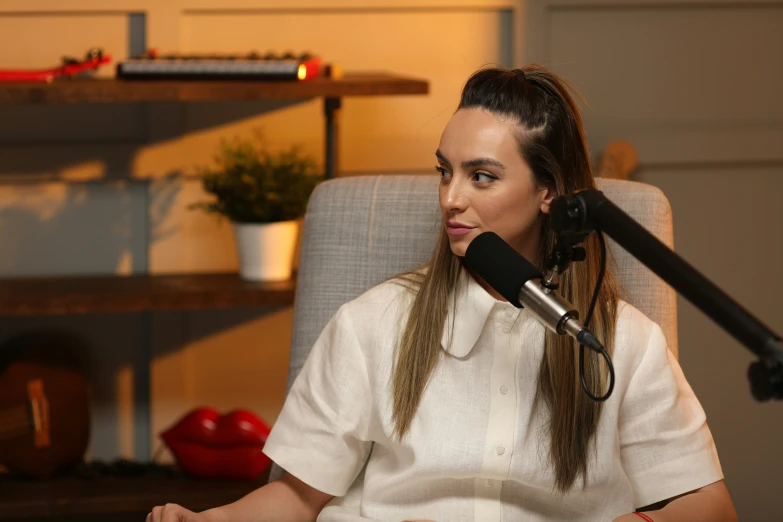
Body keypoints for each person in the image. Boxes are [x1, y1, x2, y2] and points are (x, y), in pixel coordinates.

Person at [146, 64, 737, 522]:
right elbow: (296, 501)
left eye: (481, 176)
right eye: (444, 171)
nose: (451, 197)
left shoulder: (622, 342)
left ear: (550, 191)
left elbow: (709, 508)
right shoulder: (372, 325)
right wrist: (206, 519)